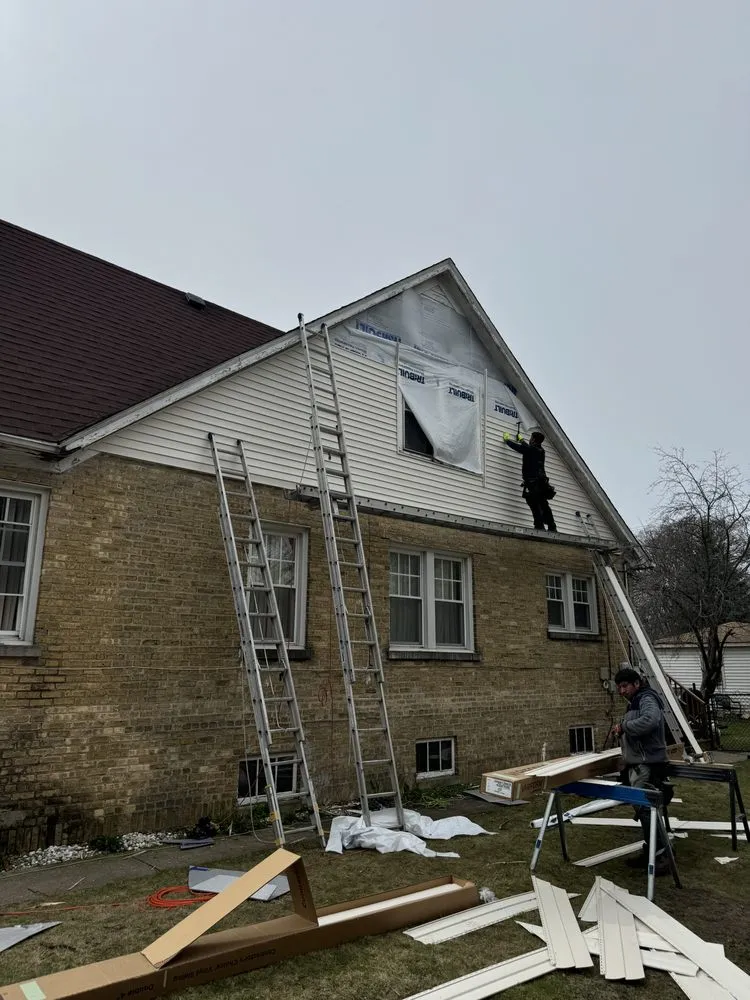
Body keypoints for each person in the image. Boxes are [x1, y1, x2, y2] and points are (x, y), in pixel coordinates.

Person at [613, 666, 674, 875]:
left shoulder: (646, 698)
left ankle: (662, 857)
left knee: (647, 810)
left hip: (647, 764)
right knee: (644, 809)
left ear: (636, 684)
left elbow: (650, 721)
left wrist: (624, 727)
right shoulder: (634, 702)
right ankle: (651, 852)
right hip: (639, 763)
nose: (621, 691)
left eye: (624, 686)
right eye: (619, 688)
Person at [503, 430, 557, 531]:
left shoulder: (531, 450)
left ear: (533, 440)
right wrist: (522, 440)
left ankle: (539, 526)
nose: (529, 439)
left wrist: (507, 441)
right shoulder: (541, 451)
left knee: (534, 504)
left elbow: (520, 449)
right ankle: (552, 526)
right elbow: (528, 448)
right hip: (541, 483)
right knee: (544, 504)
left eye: (531, 438)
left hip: (533, 484)